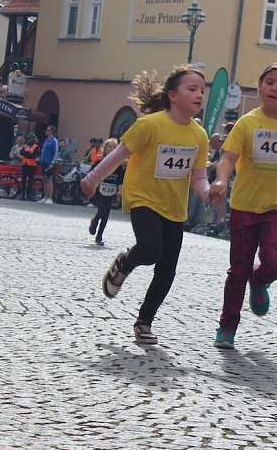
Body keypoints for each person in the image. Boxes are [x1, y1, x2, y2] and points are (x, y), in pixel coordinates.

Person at [79, 65, 211, 345]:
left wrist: (209, 193)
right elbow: (119, 155)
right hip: (143, 199)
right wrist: (92, 179)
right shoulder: (149, 125)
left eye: (202, 90)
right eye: (192, 89)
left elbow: (197, 177)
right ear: (173, 95)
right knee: (151, 249)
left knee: (167, 270)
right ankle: (124, 263)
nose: (199, 95)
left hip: (174, 207)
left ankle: (144, 322)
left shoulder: (199, 135)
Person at [209, 61, 277, 349]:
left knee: (276, 262)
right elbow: (228, 159)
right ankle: (227, 327)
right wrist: (221, 181)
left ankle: (259, 282)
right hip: (245, 204)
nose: (274, 89)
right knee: (238, 269)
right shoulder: (247, 122)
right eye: (270, 82)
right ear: (260, 86)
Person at [88, 138, 125, 245]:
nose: (112, 149)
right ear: (105, 149)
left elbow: (120, 180)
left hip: (111, 192)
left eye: (114, 147)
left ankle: (99, 237)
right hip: (99, 191)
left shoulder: (118, 165)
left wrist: (119, 190)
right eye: (109, 147)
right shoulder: (100, 162)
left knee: (106, 215)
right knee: (102, 210)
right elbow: (91, 174)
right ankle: (94, 221)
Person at [38, 125, 59, 204]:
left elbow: (55, 152)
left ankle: (50, 198)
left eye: (48, 130)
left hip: (49, 163)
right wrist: (40, 158)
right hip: (43, 162)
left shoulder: (54, 141)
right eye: (46, 130)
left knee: (49, 180)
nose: (46, 131)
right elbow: (43, 151)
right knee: (44, 179)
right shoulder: (46, 140)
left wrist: (52, 163)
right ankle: (45, 196)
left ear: (51, 132)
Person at [19, 134, 39, 200]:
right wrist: (27, 153)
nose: (28, 140)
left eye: (29, 138)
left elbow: (33, 155)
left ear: (32, 139)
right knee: (23, 180)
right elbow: (21, 152)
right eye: (28, 138)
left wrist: (26, 153)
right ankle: (22, 195)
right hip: (25, 164)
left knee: (30, 181)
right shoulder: (25, 145)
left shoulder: (36, 146)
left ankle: (28, 195)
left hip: (32, 165)